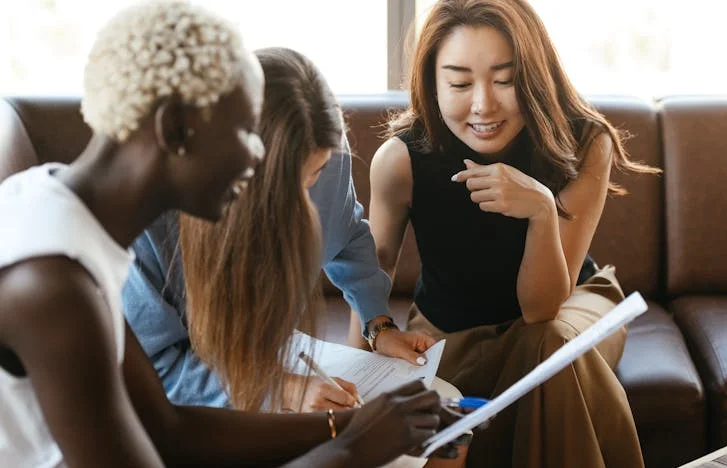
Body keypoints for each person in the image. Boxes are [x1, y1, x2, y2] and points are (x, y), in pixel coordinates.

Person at [0, 2, 448, 467]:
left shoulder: (66, 220)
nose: (256, 155)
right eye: (243, 130)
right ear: (176, 130)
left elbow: (167, 428)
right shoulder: (52, 287)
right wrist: (352, 448)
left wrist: (349, 425)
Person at [352, 0, 661, 467]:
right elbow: (371, 270)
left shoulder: (584, 143)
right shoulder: (400, 160)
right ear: (431, 84)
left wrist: (540, 211)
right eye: (459, 82)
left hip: (572, 307)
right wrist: (356, 377)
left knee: (549, 345)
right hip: (450, 329)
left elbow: (541, 310)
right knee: (544, 357)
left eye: (504, 80)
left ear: (534, 76)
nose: (483, 105)